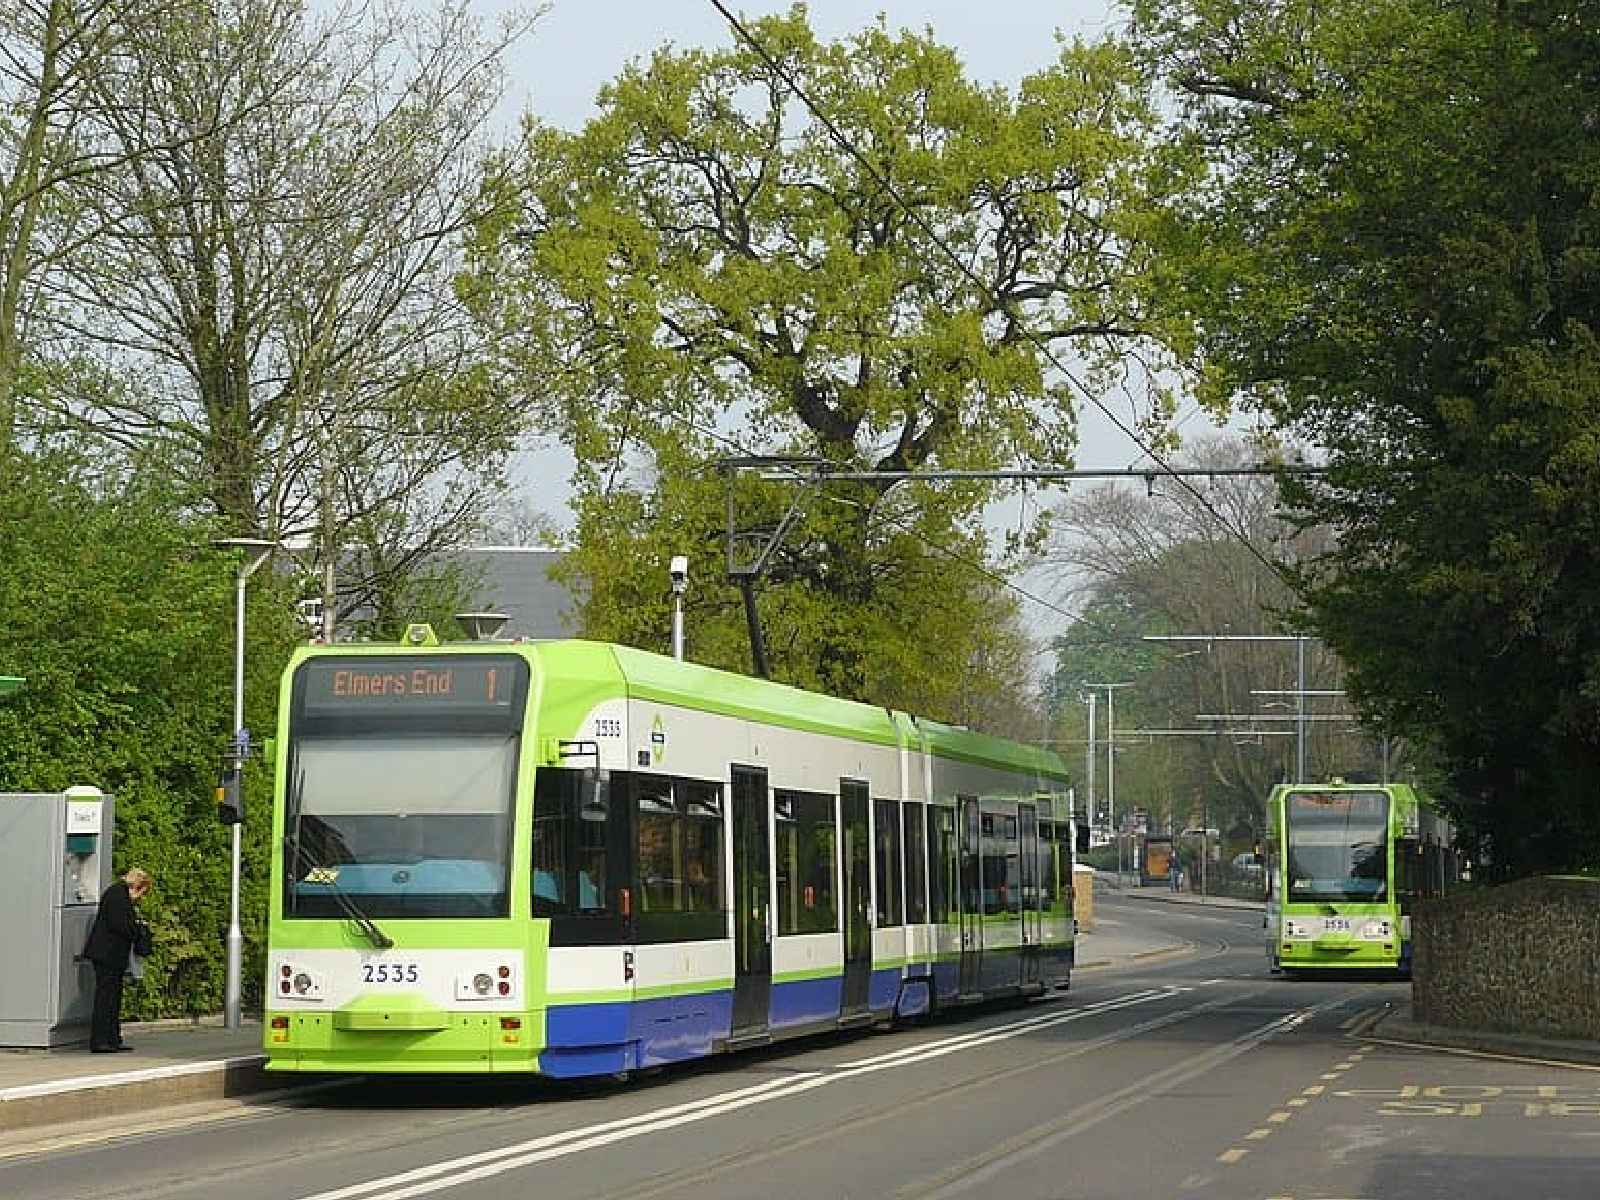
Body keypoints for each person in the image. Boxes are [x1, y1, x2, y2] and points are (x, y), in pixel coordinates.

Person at [83, 867, 152, 1053]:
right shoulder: (117, 895)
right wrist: (138, 930)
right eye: (141, 893)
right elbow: (121, 925)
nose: (140, 898)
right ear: (137, 886)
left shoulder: (117, 893)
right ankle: (101, 1040)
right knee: (106, 998)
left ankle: (112, 1038)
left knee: (113, 997)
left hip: (112, 955)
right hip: (107, 955)